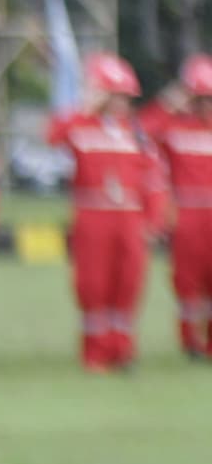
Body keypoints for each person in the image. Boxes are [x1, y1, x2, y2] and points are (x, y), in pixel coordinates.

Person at [47, 54, 161, 371]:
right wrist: (84, 108)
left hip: (130, 216)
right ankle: (96, 353)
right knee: (93, 284)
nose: (121, 103)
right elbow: (53, 137)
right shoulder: (81, 126)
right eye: (114, 95)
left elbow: (152, 179)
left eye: (125, 96)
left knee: (129, 282)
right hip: (93, 215)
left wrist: (152, 221)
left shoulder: (136, 132)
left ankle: (122, 349)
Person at [160, 55, 212, 361]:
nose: (206, 105)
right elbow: (143, 132)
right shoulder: (176, 129)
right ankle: (190, 340)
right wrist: (169, 103)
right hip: (188, 213)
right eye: (200, 99)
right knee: (187, 281)